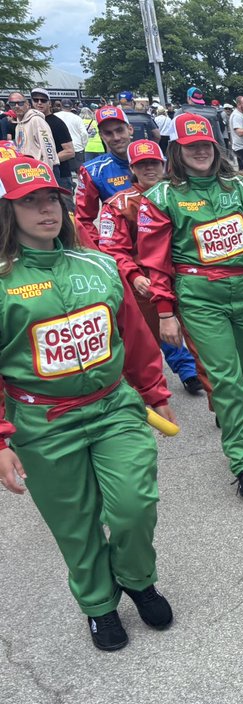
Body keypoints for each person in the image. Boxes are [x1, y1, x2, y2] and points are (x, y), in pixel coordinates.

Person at [0, 156, 176, 651]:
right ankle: (99, 605)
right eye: (27, 201)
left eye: (50, 198)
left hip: (113, 406)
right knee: (74, 525)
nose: (44, 210)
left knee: (134, 506)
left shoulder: (98, 263)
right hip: (42, 423)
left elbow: (135, 337)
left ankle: (137, 579)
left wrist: (155, 395)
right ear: (7, 211)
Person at [136, 112, 243, 498]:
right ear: (177, 150)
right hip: (199, 296)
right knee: (228, 382)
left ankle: (239, 433)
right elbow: (155, 260)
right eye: (191, 144)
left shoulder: (242, 189)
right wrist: (166, 312)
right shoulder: (161, 198)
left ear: (217, 147)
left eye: (206, 144)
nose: (200, 150)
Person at [97, 138, 206, 398]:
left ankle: (219, 402)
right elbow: (112, 249)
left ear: (164, 164)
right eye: (142, 164)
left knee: (204, 344)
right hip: (143, 288)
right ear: (132, 168)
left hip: (186, 280)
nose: (149, 169)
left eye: (153, 163)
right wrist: (134, 277)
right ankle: (142, 399)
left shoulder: (185, 195)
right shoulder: (118, 204)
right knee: (141, 347)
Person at [74, 106, 139, 249]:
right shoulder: (93, 171)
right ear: (102, 136)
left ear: (130, 129)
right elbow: (84, 220)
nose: (116, 137)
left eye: (120, 130)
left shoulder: (157, 162)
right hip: (122, 250)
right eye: (108, 133)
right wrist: (102, 251)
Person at [9, 92, 58, 168]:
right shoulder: (18, 126)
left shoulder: (36, 120)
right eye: (13, 104)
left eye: (20, 103)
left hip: (43, 170)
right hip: (29, 170)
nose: (16, 106)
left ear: (27, 104)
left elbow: (48, 146)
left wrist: (48, 170)